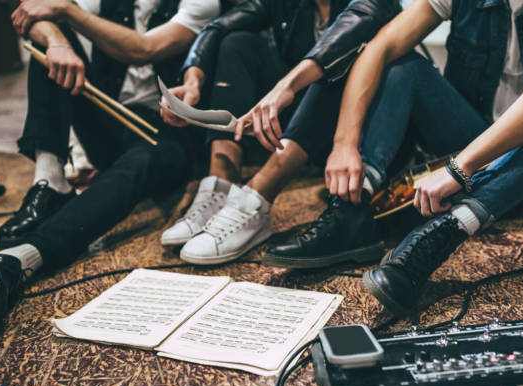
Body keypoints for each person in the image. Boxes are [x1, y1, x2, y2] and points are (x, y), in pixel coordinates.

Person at [265, 0, 523, 316]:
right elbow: (380, 47)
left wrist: (461, 167)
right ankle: (351, 212)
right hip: (477, 149)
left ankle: (450, 229)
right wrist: (345, 143)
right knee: (400, 63)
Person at [0, 0, 221, 326]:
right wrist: (57, 41)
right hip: (110, 123)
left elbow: (145, 48)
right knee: (51, 47)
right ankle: (51, 179)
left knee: (138, 165)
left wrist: (65, 9)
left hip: (169, 133)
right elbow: (32, 17)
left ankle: (17, 260)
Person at [159, 0, 400, 265]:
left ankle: (257, 198)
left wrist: (285, 85)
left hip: (358, 129)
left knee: (342, 60)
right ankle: (221, 185)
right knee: (238, 42)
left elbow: (353, 29)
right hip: (299, 122)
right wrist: (192, 82)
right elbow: (217, 27)